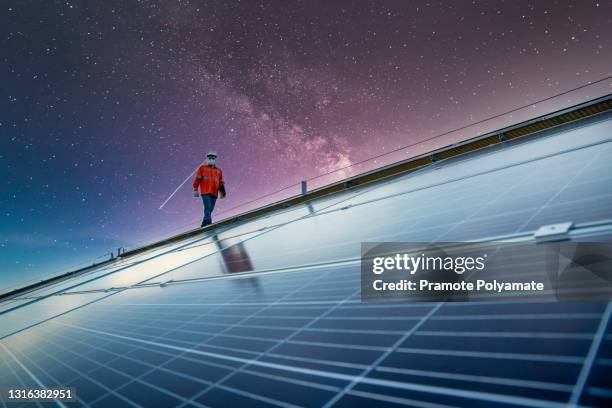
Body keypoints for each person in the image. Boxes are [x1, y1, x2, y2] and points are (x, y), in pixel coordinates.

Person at [193, 150, 226, 227]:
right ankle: (208, 224)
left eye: (213, 157)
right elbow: (198, 179)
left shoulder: (219, 170)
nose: (211, 159)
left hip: (214, 193)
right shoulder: (202, 168)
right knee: (207, 208)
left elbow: (221, 182)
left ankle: (204, 224)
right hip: (205, 192)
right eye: (210, 157)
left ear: (215, 158)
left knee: (210, 209)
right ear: (207, 158)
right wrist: (195, 189)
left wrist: (223, 192)